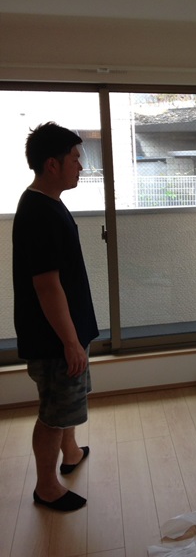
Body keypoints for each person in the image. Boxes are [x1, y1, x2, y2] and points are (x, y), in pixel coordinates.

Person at [12, 122, 99, 512]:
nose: (80, 166)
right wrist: (69, 342)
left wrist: (76, 338)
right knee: (53, 411)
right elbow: (46, 286)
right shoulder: (39, 213)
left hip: (65, 332)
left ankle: (71, 451)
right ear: (52, 164)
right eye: (75, 159)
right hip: (54, 340)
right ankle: (46, 487)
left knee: (68, 400)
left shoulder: (47, 203)